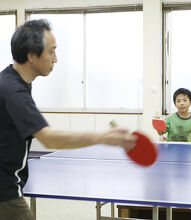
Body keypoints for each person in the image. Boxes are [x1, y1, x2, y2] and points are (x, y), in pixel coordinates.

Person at [0, 19, 137, 220]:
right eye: (51, 52)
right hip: (5, 190)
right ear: (31, 55)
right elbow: (49, 138)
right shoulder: (14, 91)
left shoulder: (11, 80)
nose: (55, 59)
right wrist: (102, 137)